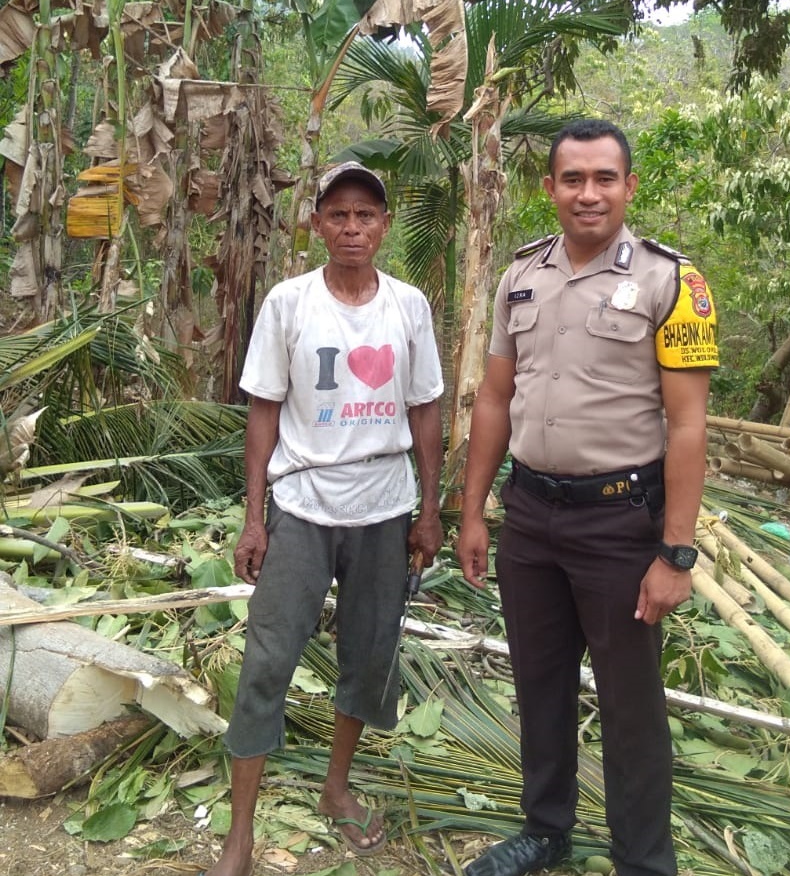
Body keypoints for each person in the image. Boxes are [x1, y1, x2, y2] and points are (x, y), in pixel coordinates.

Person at [457, 119, 719, 876]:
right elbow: (495, 400)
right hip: (531, 517)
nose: (588, 193)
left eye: (605, 177)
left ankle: (642, 861)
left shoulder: (674, 282)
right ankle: (546, 830)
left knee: (629, 702)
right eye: (572, 179)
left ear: (630, 187)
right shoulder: (521, 277)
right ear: (550, 190)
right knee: (539, 680)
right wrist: (474, 511)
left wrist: (675, 551)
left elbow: (688, 424)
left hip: (618, 521)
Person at [205, 162, 444, 876]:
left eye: (365, 215)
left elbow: (425, 409)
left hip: (383, 507)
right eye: (337, 215)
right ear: (316, 224)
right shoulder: (289, 303)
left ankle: (335, 788)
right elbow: (263, 411)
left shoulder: (408, 306)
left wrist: (431, 510)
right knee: (268, 659)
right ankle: (240, 833)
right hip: (304, 506)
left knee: (369, 658)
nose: (351, 228)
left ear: (384, 225)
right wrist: (255, 517)